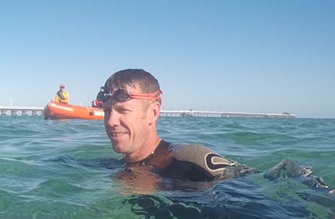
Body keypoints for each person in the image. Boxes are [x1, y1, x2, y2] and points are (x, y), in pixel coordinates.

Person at [95, 68, 252, 185]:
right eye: (107, 111)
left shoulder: (190, 161)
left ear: (153, 112)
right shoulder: (114, 166)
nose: (111, 121)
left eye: (123, 111)